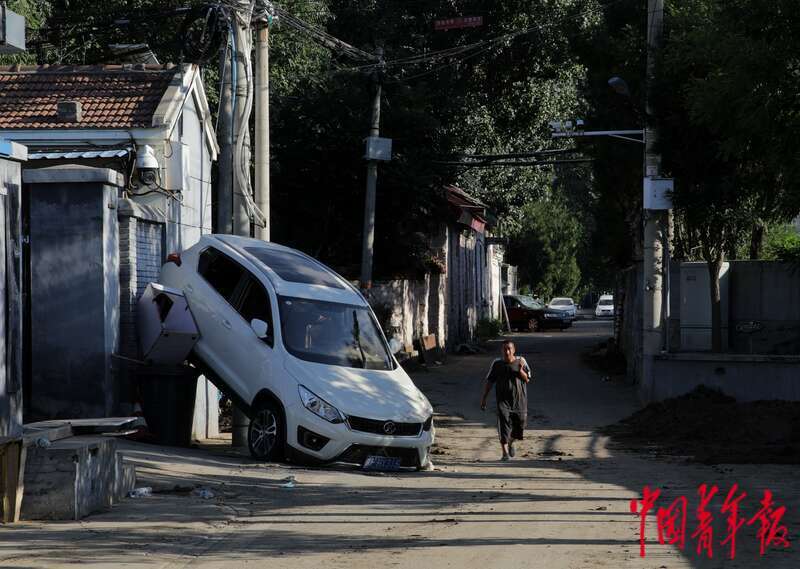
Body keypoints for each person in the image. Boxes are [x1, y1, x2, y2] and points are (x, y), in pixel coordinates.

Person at [480, 340, 532, 461]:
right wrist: (484, 398)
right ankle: (504, 453)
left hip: (519, 401)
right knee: (503, 425)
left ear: (514, 350)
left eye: (509, 349)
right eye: (504, 349)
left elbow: (527, 379)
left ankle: (511, 441)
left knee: (521, 425)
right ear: (501, 351)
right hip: (502, 401)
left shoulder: (521, 361)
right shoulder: (497, 363)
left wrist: (520, 371)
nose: (507, 352)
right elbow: (490, 381)